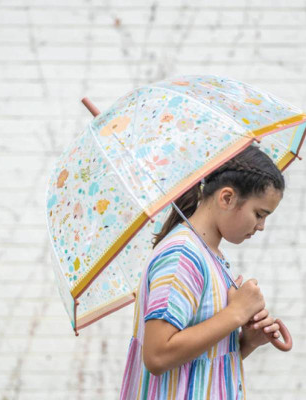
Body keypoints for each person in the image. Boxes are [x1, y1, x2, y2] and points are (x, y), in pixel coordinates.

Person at [120, 144, 285, 399]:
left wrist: (247, 341)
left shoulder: (211, 255)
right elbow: (158, 355)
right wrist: (236, 313)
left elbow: (202, 359)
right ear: (227, 198)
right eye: (259, 213)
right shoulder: (182, 256)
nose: (261, 226)